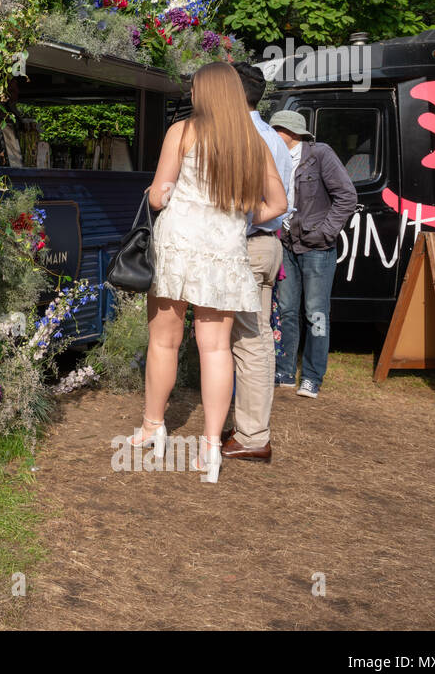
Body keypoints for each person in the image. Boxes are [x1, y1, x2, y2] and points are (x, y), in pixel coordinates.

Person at [128, 62, 287, 483]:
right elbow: (279, 204)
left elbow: (160, 197)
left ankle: (151, 427)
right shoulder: (252, 142)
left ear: (206, 93)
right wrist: (242, 218)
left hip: (178, 246)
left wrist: (162, 194)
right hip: (224, 251)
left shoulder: (181, 132)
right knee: (215, 349)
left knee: (164, 342)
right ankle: (210, 449)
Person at [222, 63, 293, 464]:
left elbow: (255, 203)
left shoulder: (245, 136)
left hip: (248, 243)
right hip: (265, 244)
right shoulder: (272, 137)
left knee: (250, 341)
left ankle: (252, 435)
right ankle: (249, 428)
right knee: (253, 338)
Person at [270, 110, 358, 398]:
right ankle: (284, 371)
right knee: (286, 311)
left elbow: (347, 196)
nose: (271, 135)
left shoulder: (319, 154)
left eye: (276, 130)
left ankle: (312, 377)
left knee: (316, 312)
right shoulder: (274, 158)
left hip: (317, 247)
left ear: (291, 133)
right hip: (286, 244)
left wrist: (324, 232)